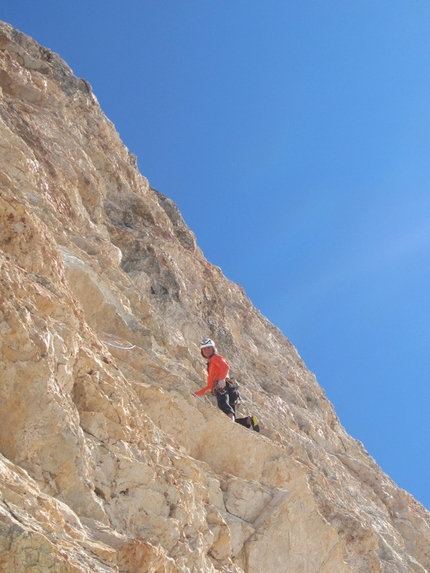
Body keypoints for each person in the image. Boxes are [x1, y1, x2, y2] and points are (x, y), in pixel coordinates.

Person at [193, 338, 260, 432]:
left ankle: (229, 429)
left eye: (208, 348)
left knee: (224, 406)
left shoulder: (215, 358)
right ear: (201, 351)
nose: (206, 350)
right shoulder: (211, 367)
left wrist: (221, 379)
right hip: (230, 387)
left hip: (222, 386)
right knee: (229, 413)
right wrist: (196, 394)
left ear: (213, 349)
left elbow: (225, 366)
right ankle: (248, 421)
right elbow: (209, 387)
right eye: (204, 349)